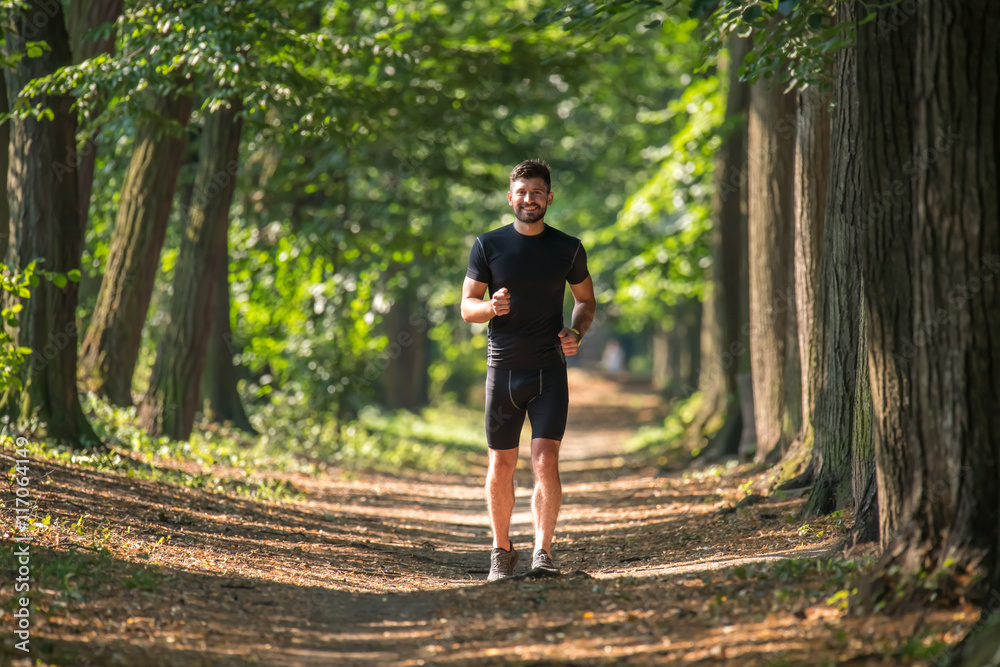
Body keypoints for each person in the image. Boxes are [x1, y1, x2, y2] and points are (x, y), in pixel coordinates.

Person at [461, 159, 596, 581]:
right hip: (503, 370)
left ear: (549, 198)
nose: (529, 199)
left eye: (537, 192)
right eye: (522, 192)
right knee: (501, 463)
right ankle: (502, 551)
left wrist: (577, 330)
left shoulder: (568, 248)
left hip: (548, 370)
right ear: (510, 198)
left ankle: (543, 551)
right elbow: (467, 306)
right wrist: (489, 308)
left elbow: (586, 302)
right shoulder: (488, 245)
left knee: (545, 460)